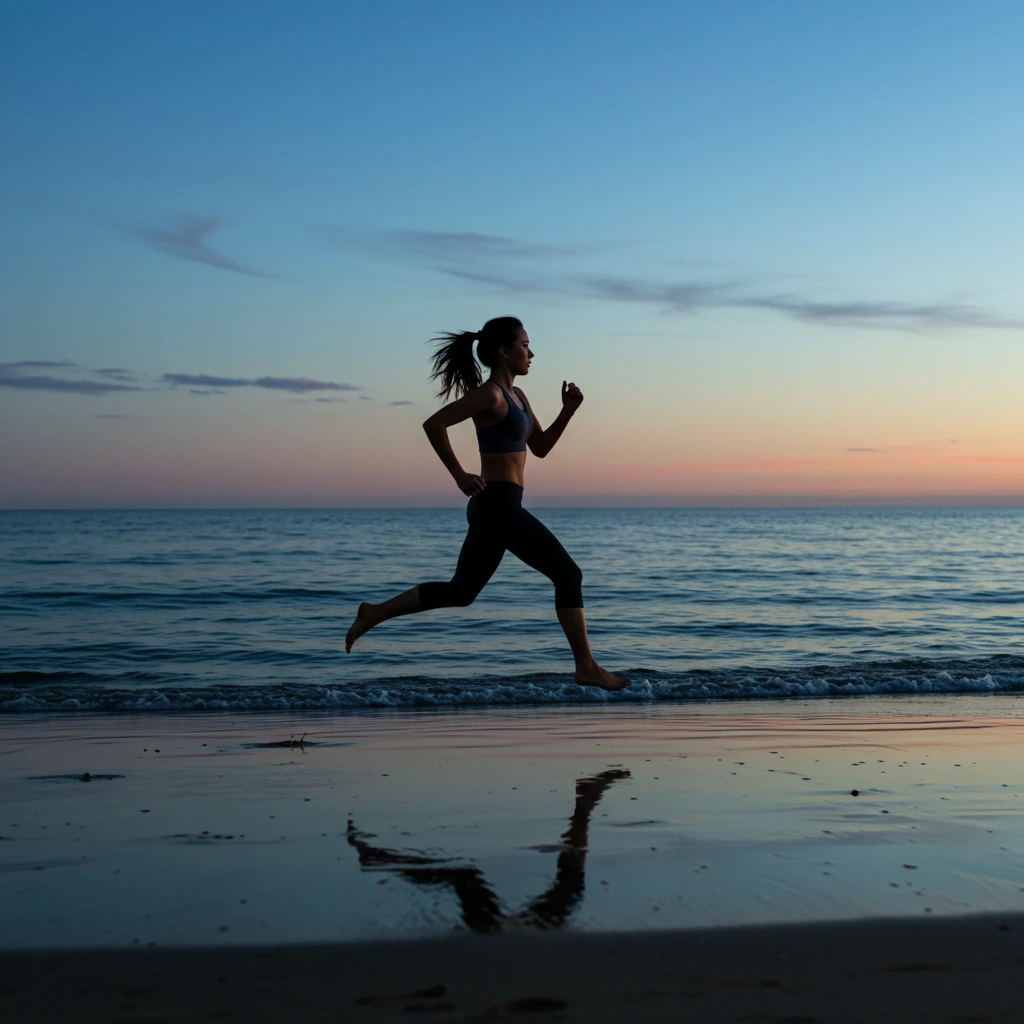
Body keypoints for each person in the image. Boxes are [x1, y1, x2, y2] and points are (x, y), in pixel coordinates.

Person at [345, 316, 629, 692]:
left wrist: (568, 411)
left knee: (461, 593)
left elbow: (540, 449)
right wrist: (459, 474)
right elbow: (434, 424)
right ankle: (587, 666)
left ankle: (374, 612)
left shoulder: (519, 397)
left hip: (500, 505)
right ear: (503, 351)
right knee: (568, 574)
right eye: (525, 345)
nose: (531, 352)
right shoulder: (491, 394)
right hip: (496, 504)